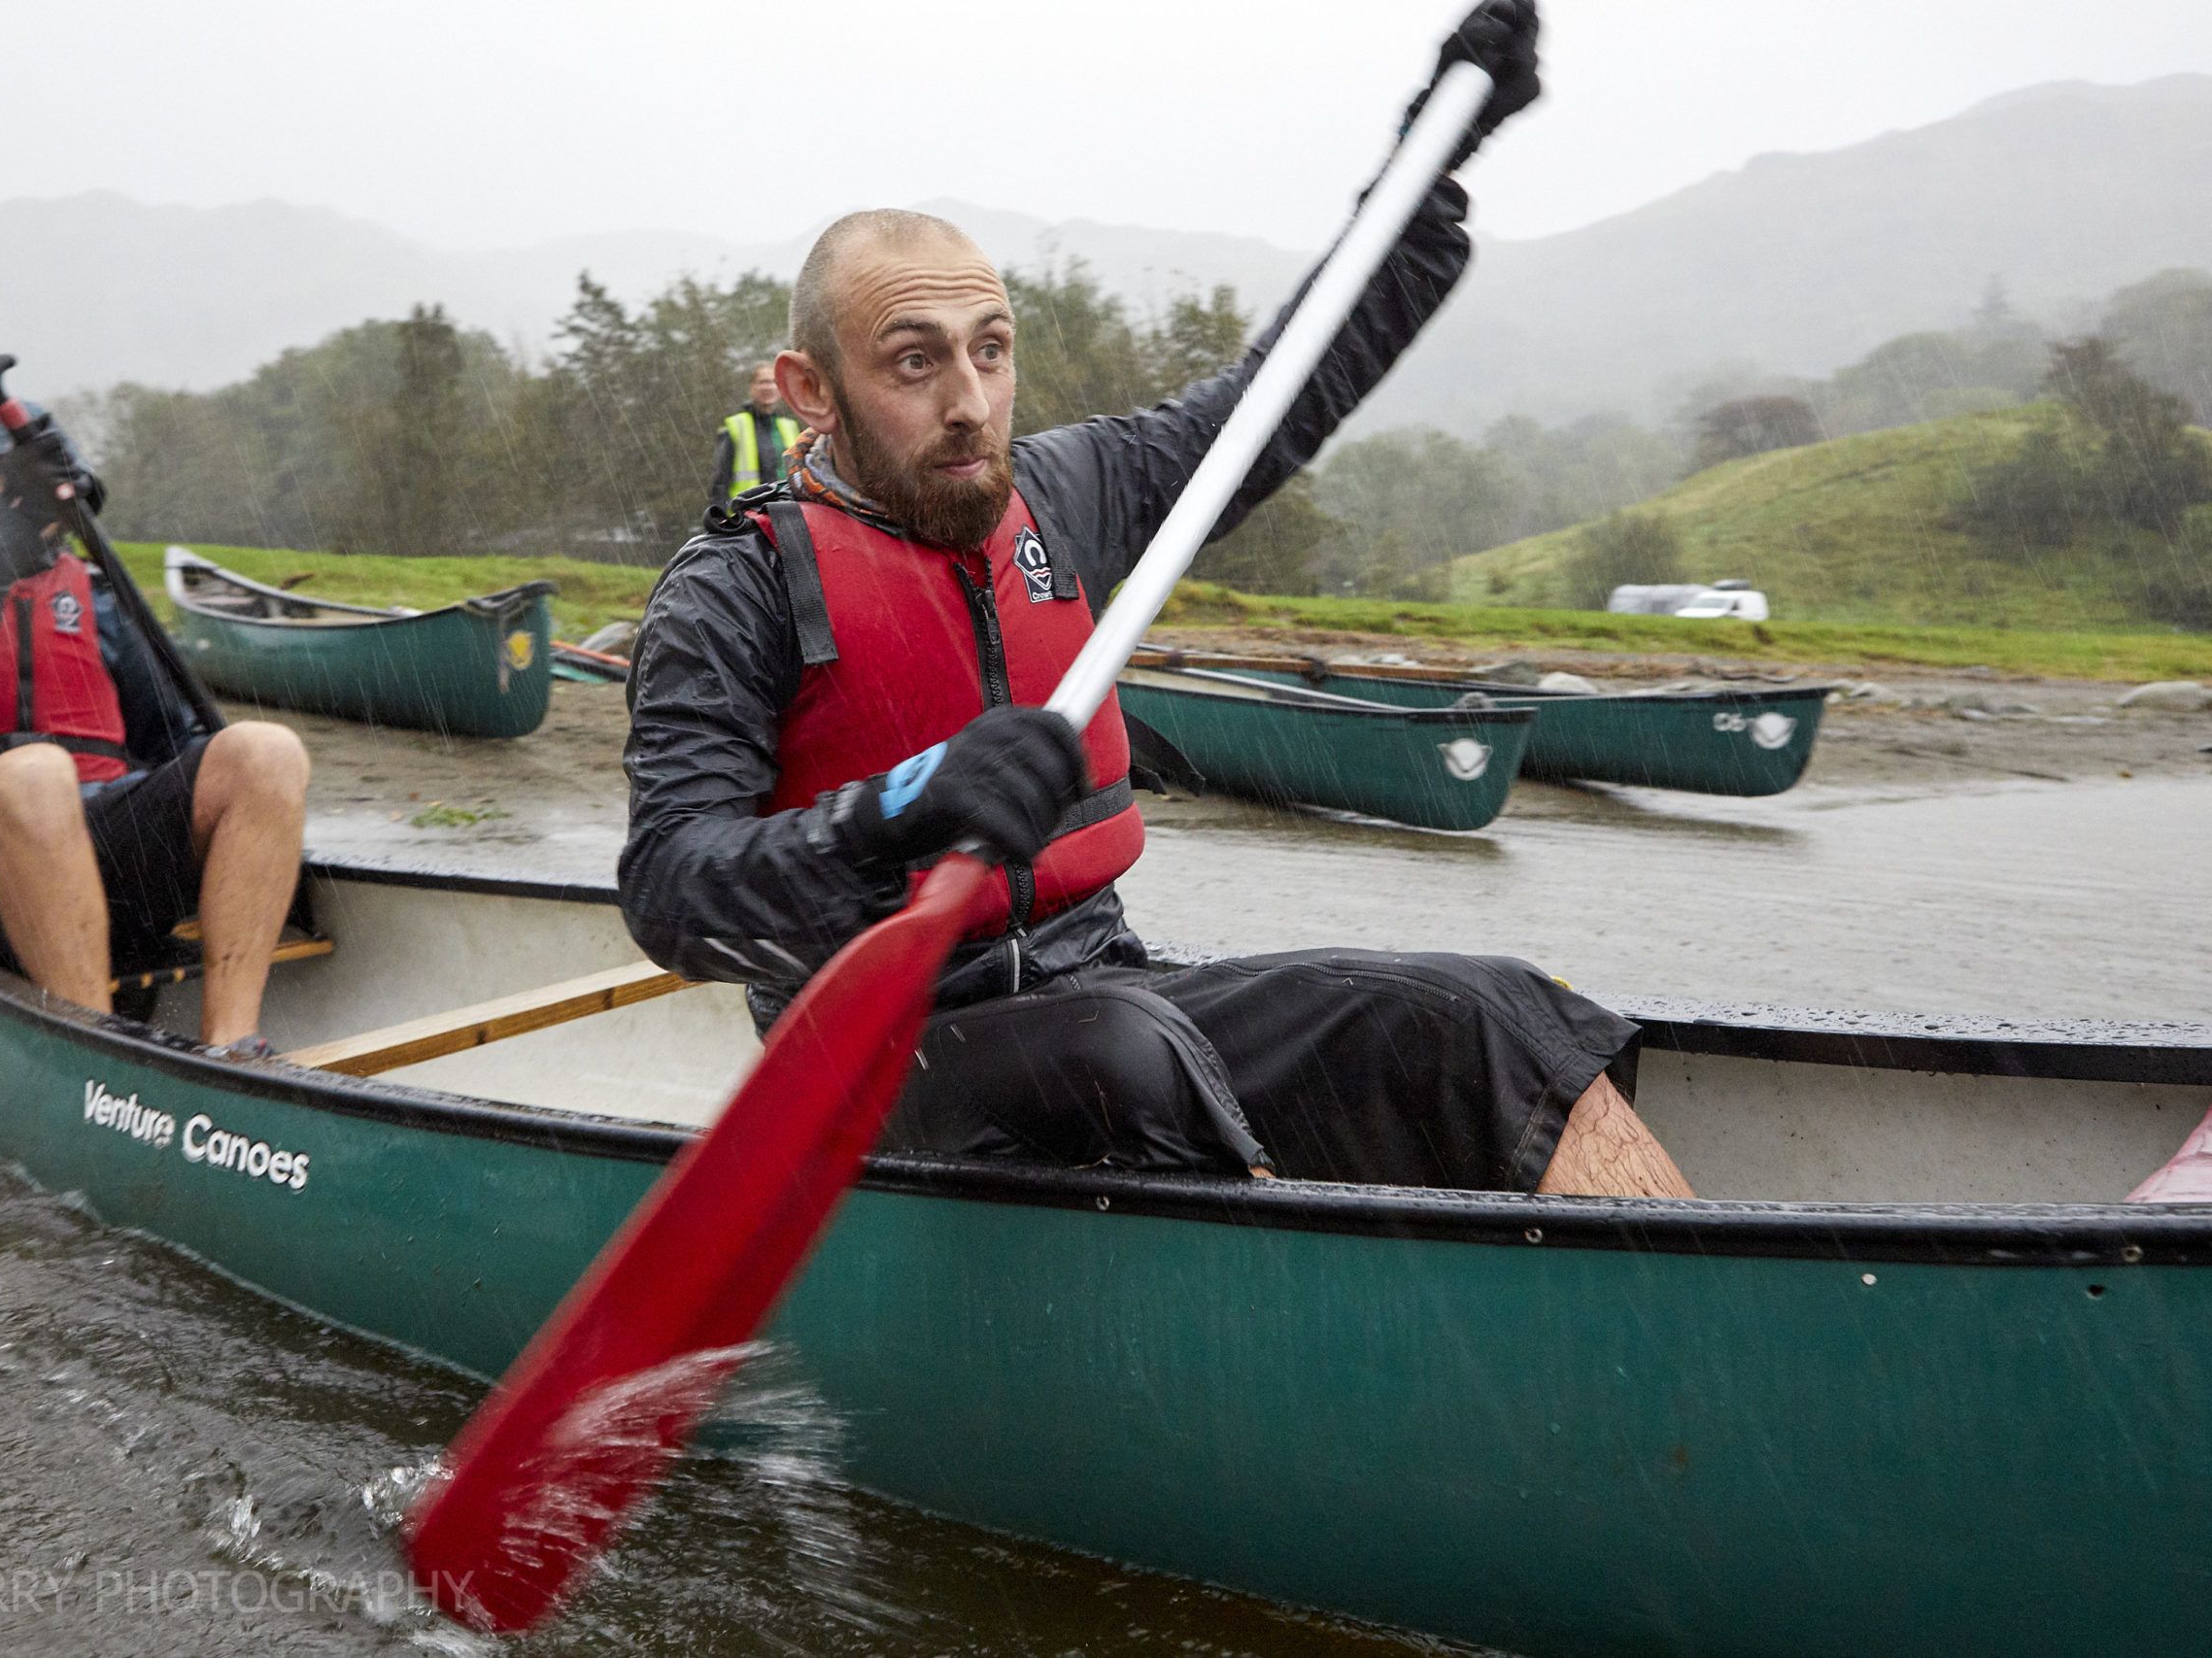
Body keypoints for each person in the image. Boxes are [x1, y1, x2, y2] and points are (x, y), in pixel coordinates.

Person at [621, 0, 1694, 1199]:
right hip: (870, 1057)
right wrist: (901, 811)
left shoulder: (1067, 492)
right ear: (810, 388)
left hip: (1104, 986)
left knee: (1492, 1013)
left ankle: (1696, 1337)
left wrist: (1424, 175)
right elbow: (673, 897)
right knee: (1122, 1057)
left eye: (992, 348)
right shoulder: (735, 586)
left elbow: (1277, 397)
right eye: (915, 361)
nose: (971, 402)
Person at [0, 394, 309, 1052]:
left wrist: (256, 835)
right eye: (1, 476)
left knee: (265, 751)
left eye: (41, 481)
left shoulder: (97, 595)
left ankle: (235, 1042)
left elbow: (179, 744)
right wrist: (5, 533)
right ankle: (94, 1048)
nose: (29, 496)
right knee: (35, 773)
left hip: (92, 841)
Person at [709, 359, 805, 512]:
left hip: (787, 513)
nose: (768, 387)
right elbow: (721, 480)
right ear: (751, 388)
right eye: (763, 382)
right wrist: (718, 516)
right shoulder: (735, 425)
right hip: (746, 515)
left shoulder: (790, 426)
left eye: (774, 381)